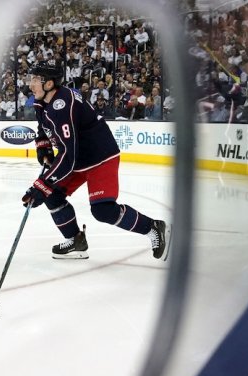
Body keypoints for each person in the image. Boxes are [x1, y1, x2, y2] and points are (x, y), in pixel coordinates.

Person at [22, 61, 169, 260]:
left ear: (49, 84)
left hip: (100, 157)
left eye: (35, 80)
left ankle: (153, 227)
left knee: (103, 210)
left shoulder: (62, 105)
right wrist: (44, 149)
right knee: (53, 195)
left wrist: (41, 185)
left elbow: (67, 155)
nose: (30, 85)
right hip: (79, 157)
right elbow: (44, 128)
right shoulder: (44, 100)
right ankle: (76, 240)